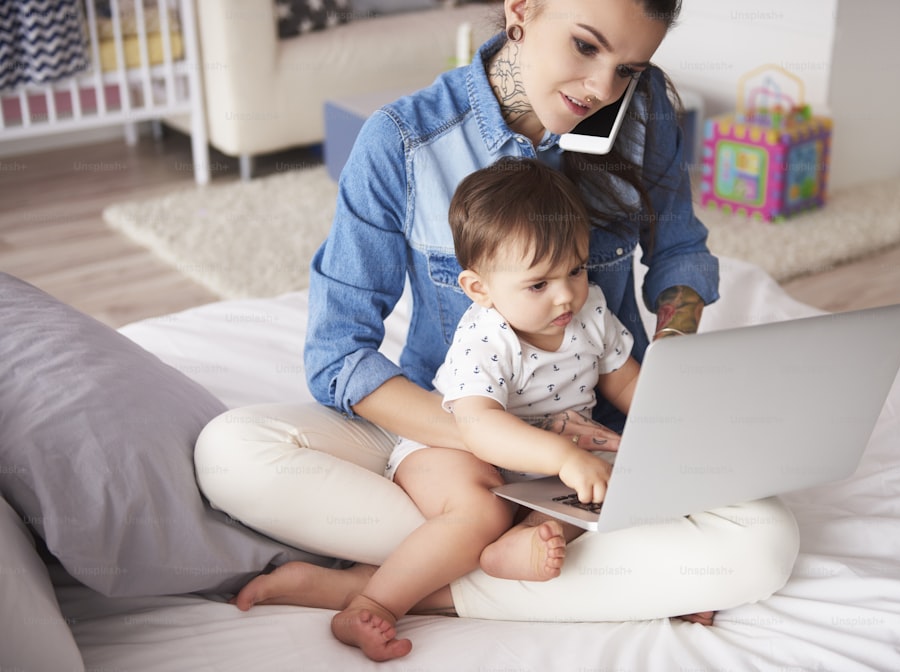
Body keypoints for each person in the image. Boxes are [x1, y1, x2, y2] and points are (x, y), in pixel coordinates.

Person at [194, 0, 799, 653]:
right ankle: (607, 572)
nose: (602, 89)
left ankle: (393, 586)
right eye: (585, 47)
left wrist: (671, 372)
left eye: (628, 66)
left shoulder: (640, 112)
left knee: (766, 541)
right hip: (450, 435)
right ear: (520, 10)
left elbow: (679, 252)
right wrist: (501, 443)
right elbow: (339, 356)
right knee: (230, 452)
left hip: (595, 444)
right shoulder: (403, 139)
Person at [327, 156, 641, 660]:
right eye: (539, 284)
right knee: (480, 508)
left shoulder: (591, 310)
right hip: (457, 450)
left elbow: (625, 382)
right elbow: (479, 426)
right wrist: (561, 457)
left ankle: (520, 545)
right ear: (480, 289)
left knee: (602, 503)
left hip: (551, 460)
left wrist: (660, 425)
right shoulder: (486, 334)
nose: (566, 296)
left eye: (576, 269)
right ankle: (373, 603)